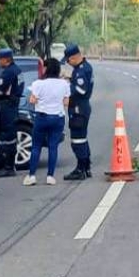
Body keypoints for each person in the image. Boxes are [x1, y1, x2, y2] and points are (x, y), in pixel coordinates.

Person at [22, 59, 70, 186]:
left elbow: (32, 100)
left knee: (36, 146)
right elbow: (66, 103)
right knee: (53, 146)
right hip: (58, 118)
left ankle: (32, 176)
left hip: (41, 117)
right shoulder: (64, 84)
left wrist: (38, 100)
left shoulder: (38, 84)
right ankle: (50, 176)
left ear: (46, 68)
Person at [63, 44, 94, 181]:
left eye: (68, 60)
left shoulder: (81, 71)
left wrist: (66, 85)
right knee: (82, 138)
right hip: (82, 107)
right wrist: (70, 79)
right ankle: (86, 167)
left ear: (74, 57)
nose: (68, 63)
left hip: (78, 108)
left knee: (77, 139)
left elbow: (81, 90)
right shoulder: (84, 67)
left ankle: (80, 169)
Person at [0, 48, 23, 177]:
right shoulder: (17, 70)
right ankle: (9, 166)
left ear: (6, 59)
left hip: (7, 106)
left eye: (0, 59)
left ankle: (9, 167)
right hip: (13, 105)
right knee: (9, 136)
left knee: (7, 137)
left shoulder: (8, 72)